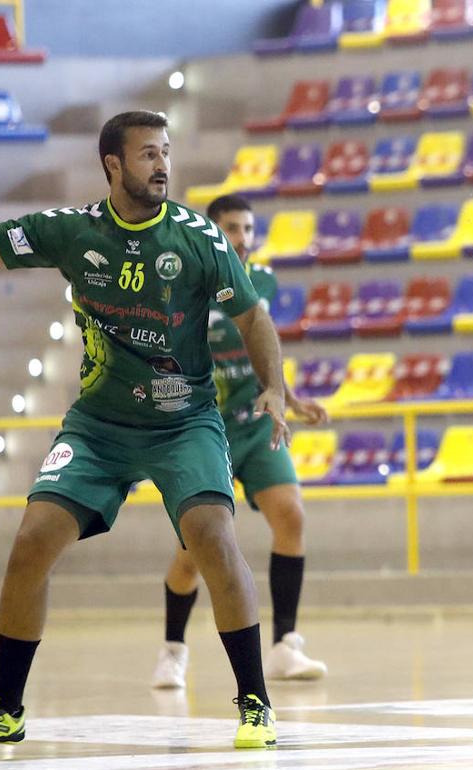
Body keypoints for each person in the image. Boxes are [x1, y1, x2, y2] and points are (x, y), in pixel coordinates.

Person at [0, 111, 286, 750]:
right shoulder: (73, 232)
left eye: (166, 153)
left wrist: (274, 389)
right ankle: (5, 708)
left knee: (213, 538)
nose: (162, 166)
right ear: (113, 165)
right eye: (148, 154)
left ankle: (255, 701)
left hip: (184, 422)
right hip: (97, 426)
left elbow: (253, 318)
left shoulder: (199, 236)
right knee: (31, 544)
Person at [152, 194, 329, 689]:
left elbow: (262, 347)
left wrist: (287, 396)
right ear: (211, 231)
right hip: (205, 430)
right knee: (195, 550)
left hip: (256, 423)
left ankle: (285, 646)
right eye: (232, 227)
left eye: (249, 228)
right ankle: (172, 649)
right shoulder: (183, 285)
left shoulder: (263, 281)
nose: (243, 238)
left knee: (291, 515)